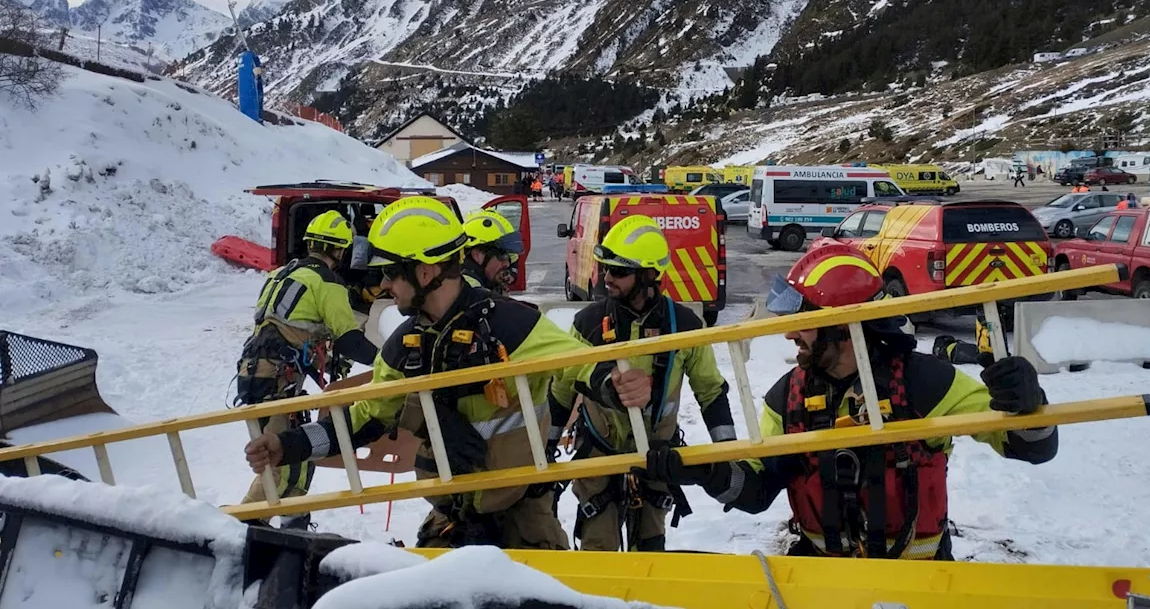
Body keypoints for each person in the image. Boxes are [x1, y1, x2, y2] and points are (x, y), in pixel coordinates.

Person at [639, 244, 1057, 560]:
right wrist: (704, 470)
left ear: (841, 325)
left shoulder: (926, 383)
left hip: (920, 582)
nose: (790, 334)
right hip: (822, 578)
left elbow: (1032, 447)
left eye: (804, 323)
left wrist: (1026, 403)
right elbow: (757, 490)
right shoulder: (786, 400)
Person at [244, 196, 584, 549]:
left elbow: (589, 363)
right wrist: (290, 445)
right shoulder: (404, 346)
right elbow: (365, 417)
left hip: (524, 518)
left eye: (391, 272)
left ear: (424, 271)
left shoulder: (513, 324)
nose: (385, 285)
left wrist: (616, 382)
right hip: (452, 516)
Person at [549, 216, 736, 552]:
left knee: (650, 549)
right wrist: (547, 448)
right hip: (598, 454)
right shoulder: (588, 323)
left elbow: (711, 391)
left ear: (649, 275)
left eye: (618, 272)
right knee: (598, 548)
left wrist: (730, 451)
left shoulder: (684, 327)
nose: (607, 278)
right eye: (605, 268)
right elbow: (562, 388)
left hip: (657, 457)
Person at [236, 210, 379, 528]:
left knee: (297, 456)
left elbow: (286, 329)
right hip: (278, 380)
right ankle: (242, 525)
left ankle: (294, 522)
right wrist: (387, 361)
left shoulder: (281, 274)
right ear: (340, 251)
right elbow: (350, 342)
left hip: (254, 372)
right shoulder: (328, 283)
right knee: (279, 462)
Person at [461, 209, 523, 295]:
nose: (507, 264)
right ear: (477, 254)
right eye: (502, 256)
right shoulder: (469, 287)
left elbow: (513, 257)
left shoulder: (483, 273)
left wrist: (511, 272)